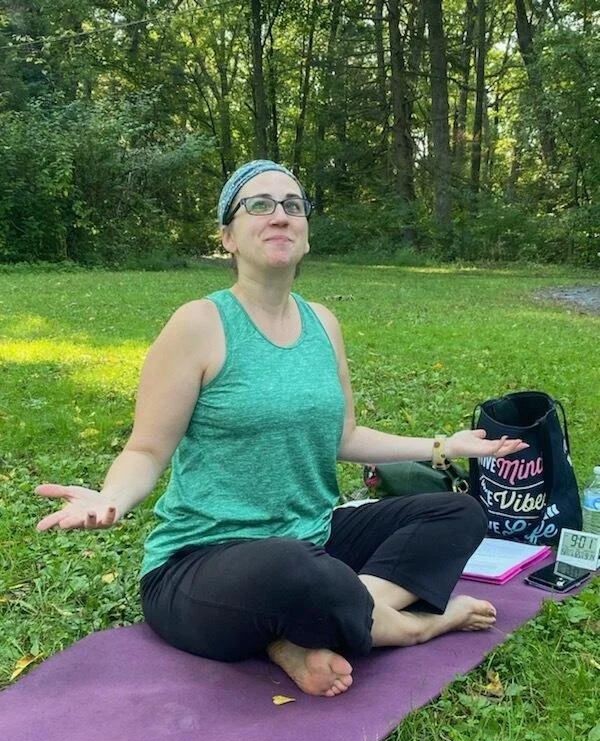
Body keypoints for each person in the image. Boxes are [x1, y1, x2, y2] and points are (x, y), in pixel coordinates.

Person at [35, 159, 527, 698]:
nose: (280, 216)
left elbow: (343, 437)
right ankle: (410, 627)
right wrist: (111, 497)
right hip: (200, 564)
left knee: (457, 511)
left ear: (307, 234)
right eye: (259, 205)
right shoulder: (199, 324)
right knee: (291, 567)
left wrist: (443, 445)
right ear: (228, 237)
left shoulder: (323, 323)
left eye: (293, 206)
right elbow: (148, 449)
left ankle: (303, 628)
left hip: (313, 539)